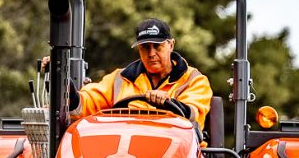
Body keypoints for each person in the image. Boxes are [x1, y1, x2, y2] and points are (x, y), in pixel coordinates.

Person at [68, 18, 214, 129]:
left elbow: (193, 115)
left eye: (157, 46)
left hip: (178, 153)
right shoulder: (120, 79)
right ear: (139, 49)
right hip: (126, 153)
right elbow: (86, 103)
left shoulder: (194, 80)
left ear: (171, 45)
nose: (151, 53)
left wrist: (168, 103)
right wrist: (65, 84)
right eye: (145, 47)